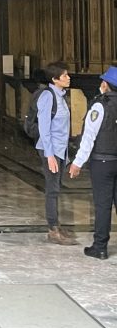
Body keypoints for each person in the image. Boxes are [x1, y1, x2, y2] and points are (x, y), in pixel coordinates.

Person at [69, 66, 117, 259]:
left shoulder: (99, 105)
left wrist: (77, 162)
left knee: (103, 205)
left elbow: (89, 137)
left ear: (105, 85)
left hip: (102, 162)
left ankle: (100, 247)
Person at [35, 60, 77, 245]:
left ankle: (56, 226)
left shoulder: (61, 96)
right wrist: (49, 155)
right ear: (54, 79)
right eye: (64, 75)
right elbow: (44, 128)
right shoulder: (47, 96)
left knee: (57, 188)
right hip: (49, 149)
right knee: (52, 190)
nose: (68, 78)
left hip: (60, 150)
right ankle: (52, 229)